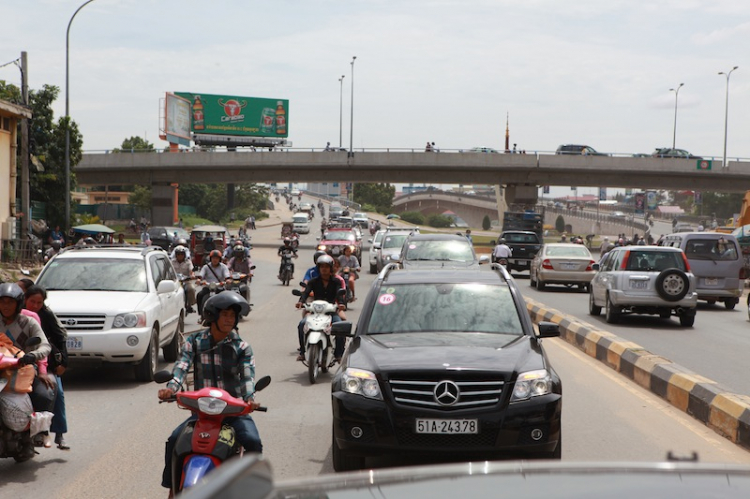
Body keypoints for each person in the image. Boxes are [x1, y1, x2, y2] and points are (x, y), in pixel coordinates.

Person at [158, 292, 261, 492]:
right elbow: (181, 367)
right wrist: (171, 389)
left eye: (232, 315)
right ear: (212, 316)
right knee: (174, 440)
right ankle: (173, 490)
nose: (229, 319)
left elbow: (247, 377)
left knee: (253, 441)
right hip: (202, 413)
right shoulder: (194, 342)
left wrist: (250, 399)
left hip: (233, 413)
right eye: (225, 314)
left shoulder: (242, 348)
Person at [0, 283, 51, 460]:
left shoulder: (28, 322)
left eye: (10, 302)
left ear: (18, 303)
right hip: (0, 370)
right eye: (2, 302)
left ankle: (34, 434)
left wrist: (33, 355)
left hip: (23, 371)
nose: (6, 306)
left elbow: (45, 344)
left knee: (44, 395)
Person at [23, 285, 70, 450]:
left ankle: (57, 433)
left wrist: (64, 362)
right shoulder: (14, 315)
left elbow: (59, 337)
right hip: (14, 363)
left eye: (39, 302)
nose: (35, 305)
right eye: (32, 301)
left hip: (44, 362)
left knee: (55, 391)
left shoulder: (44, 316)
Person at [295, 255, 346, 362]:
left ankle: (338, 354)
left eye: (326, 267)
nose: (324, 269)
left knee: (340, 328)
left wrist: (341, 304)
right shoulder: (313, 281)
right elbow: (306, 293)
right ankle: (303, 352)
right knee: (301, 325)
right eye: (321, 267)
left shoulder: (336, 282)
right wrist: (300, 302)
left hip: (331, 311)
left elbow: (339, 294)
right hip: (315, 311)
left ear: (331, 268)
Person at [196, 250, 231, 317]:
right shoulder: (206, 267)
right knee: (199, 295)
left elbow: (227, 275)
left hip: (219, 287)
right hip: (208, 287)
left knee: (227, 298)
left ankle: (226, 314)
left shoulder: (223, 267)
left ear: (220, 259)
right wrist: (199, 279)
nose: (215, 260)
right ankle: (201, 315)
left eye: (217, 258)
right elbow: (201, 274)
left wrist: (227, 280)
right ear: (210, 259)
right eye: (213, 258)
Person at [171, 245, 196, 314]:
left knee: (191, 289)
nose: (180, 256)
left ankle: (190, 305)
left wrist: (192, 275)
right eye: (178, 254)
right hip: (175, 281)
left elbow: (191, 271)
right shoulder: (172, 262)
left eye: (181, 254)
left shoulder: (188, 262)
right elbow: (169, 271)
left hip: (186, 281)